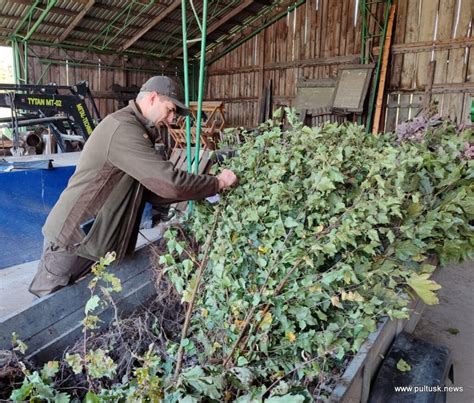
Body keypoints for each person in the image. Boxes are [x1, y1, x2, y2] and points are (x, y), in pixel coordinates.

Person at [29, 76, 237, 297]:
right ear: (153, 98)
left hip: (93, 240)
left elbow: (152, 190)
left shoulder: (138, 131)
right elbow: (168, 183)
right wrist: (218, 183)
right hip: (71, 241)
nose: (171, 118)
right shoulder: (122, 129)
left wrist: (201, 190)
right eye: (169, 109)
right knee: (49, 312)